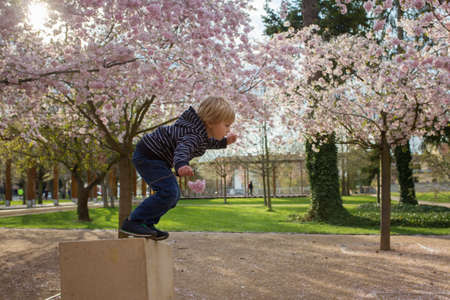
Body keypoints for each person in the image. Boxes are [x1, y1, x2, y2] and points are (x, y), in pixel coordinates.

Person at [121, 96, 238, 240]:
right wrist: (182, 164)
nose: (228, 129)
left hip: (157, 158)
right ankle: (134, 222)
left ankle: (146, 225)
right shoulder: (193, 135)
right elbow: (183, 149)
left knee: (173, 195)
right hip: (149, 156)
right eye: (226, 125)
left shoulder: (201, 134)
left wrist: (225, 142)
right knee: (169, 192)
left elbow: (208, 143)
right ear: (211, 122)